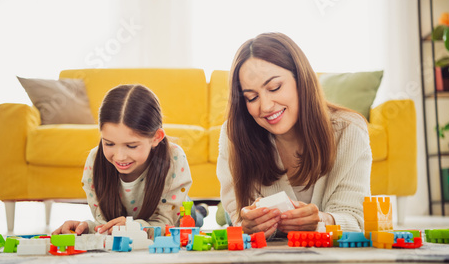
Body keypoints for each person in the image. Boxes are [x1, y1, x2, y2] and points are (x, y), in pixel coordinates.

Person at [217, 32, 372, 239]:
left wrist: (322, 222)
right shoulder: (234, 135)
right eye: (251, 97)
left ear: (301, 80)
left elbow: (354, 218)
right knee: (226, 219)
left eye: (275, 87)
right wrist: (246, 224)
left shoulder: (349, 130)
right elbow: (240, 216)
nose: (265, 106)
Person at [53, 84, 206, 236]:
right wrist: (86, 227)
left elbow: (166, 225)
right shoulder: (95, 161)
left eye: (131, 146)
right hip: (137, 222)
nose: (119, 157)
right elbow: (105, 225)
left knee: (194, 219)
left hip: (177, 214)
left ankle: (200, 211)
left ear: (156, 138)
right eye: (109, 143)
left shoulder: (174, 159)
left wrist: (134, 226)